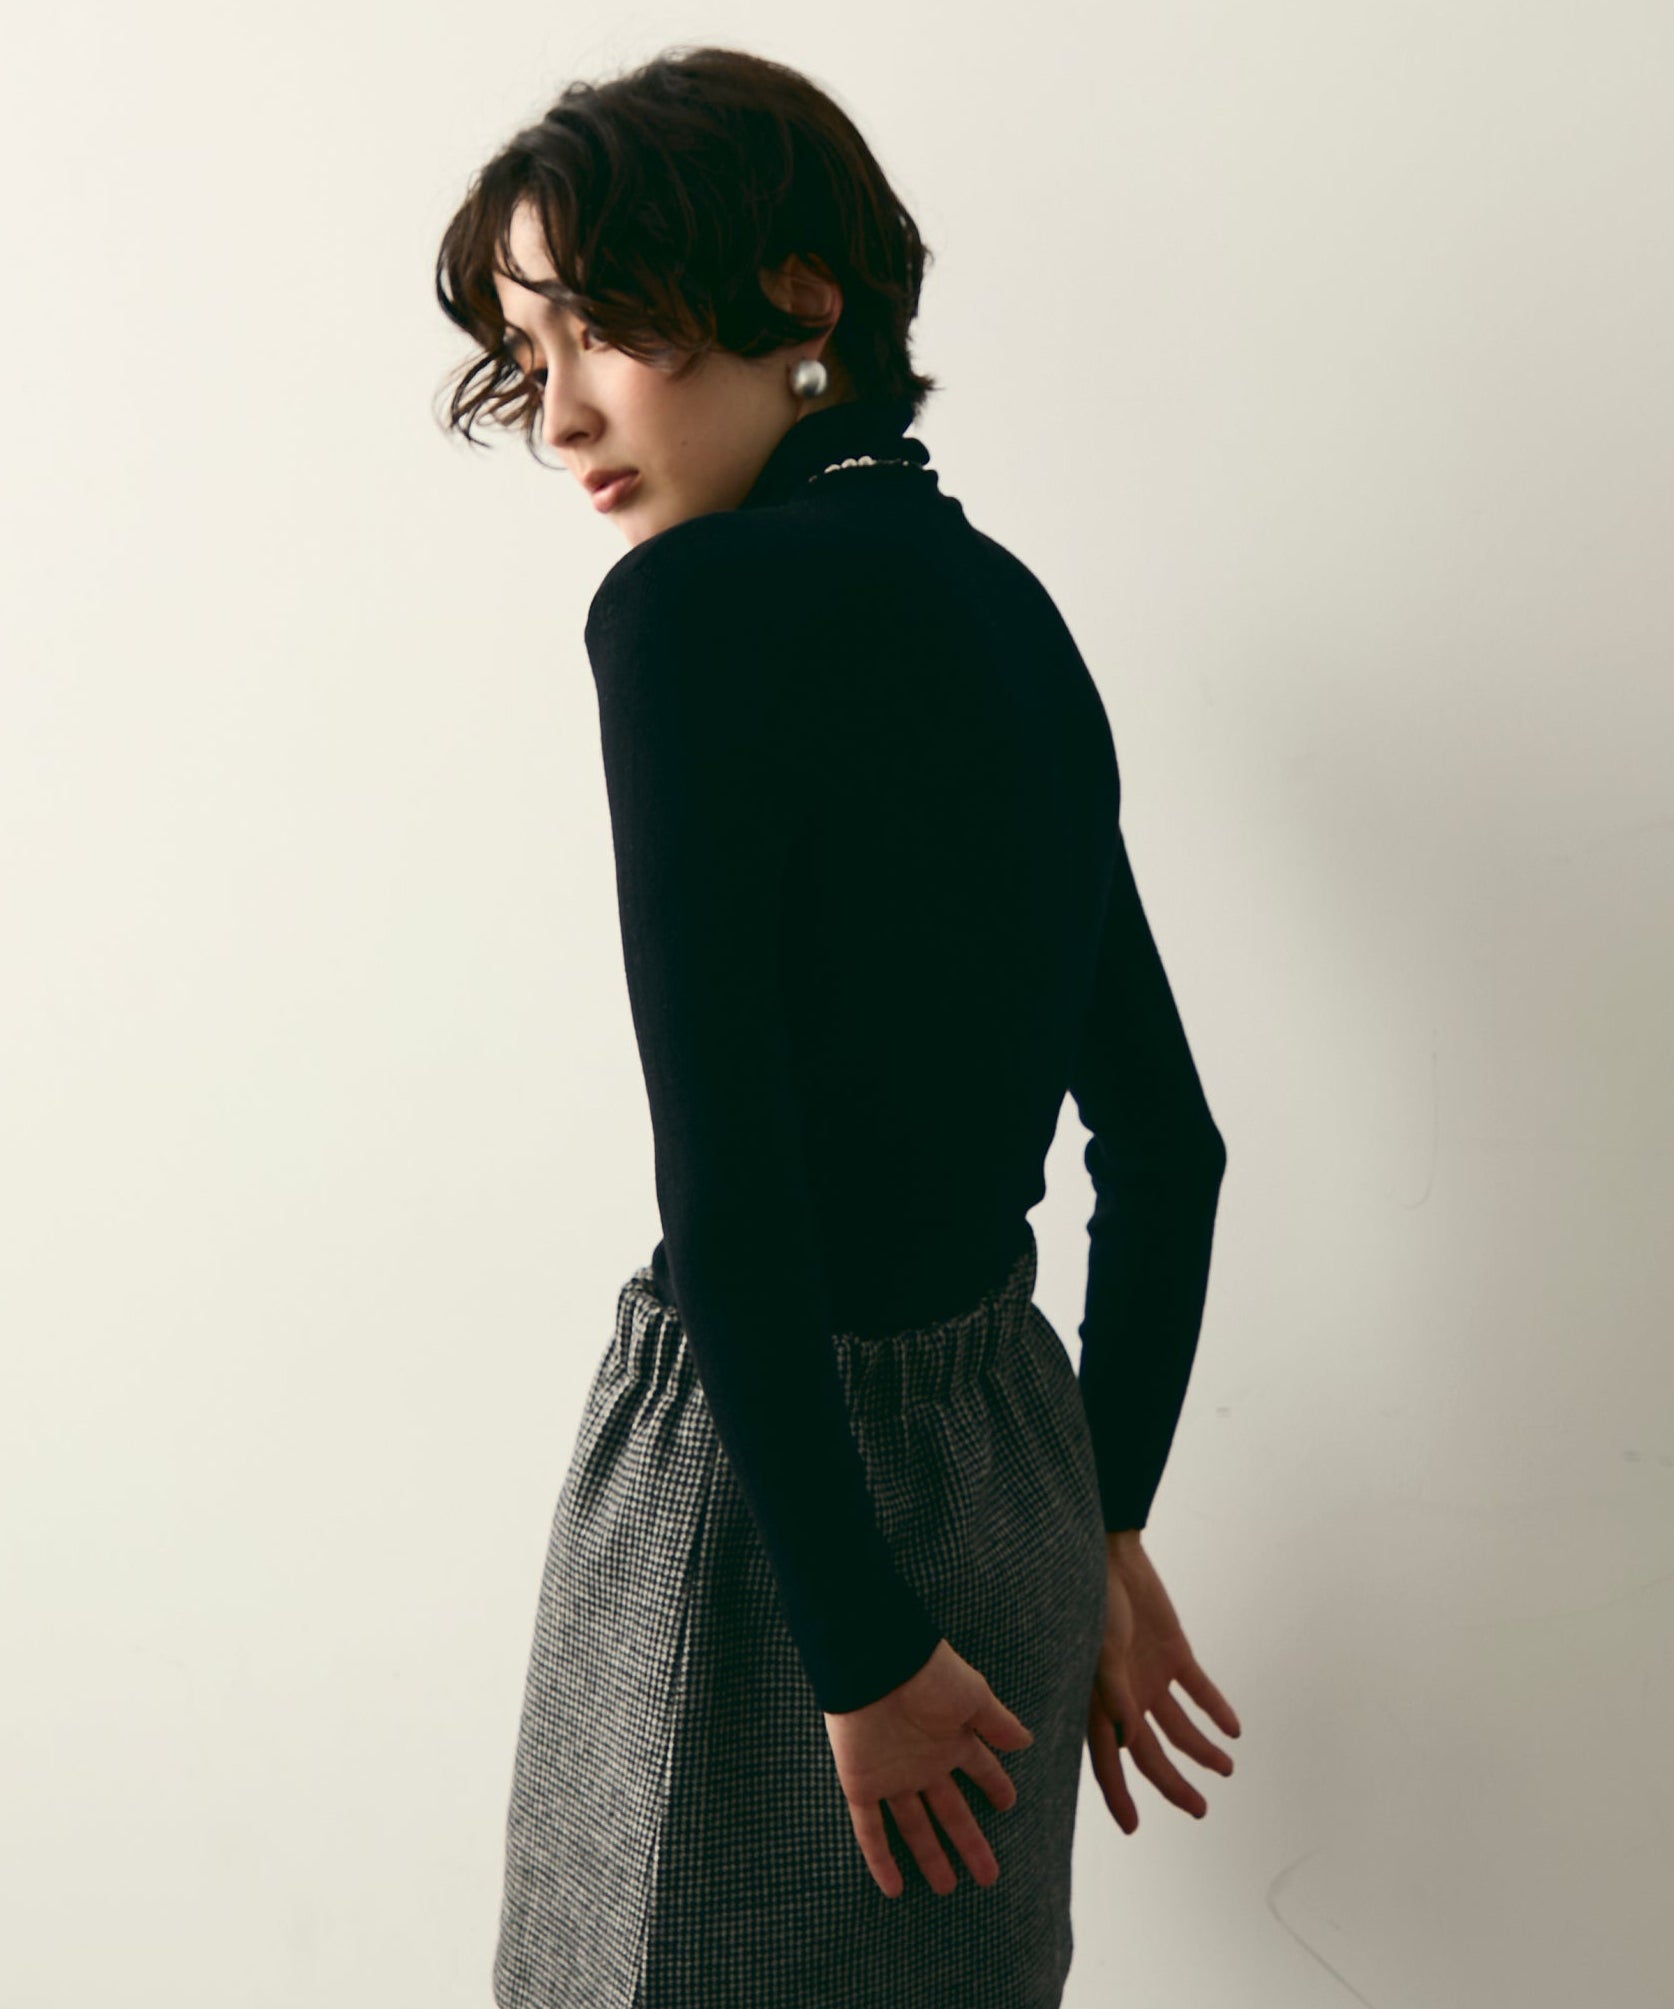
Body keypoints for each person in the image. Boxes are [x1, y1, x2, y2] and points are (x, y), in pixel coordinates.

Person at [435, 42, 1241, 2009]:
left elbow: (734, 1200)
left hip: (772, 1518)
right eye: (530, 356)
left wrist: (861, 1649)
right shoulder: (1008, 608)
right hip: (1018, 1472)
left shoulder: (683, 615)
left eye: (599, 326)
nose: (563, 414)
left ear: (801, 297)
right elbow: (1167, 1144)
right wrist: (1104, 1519)